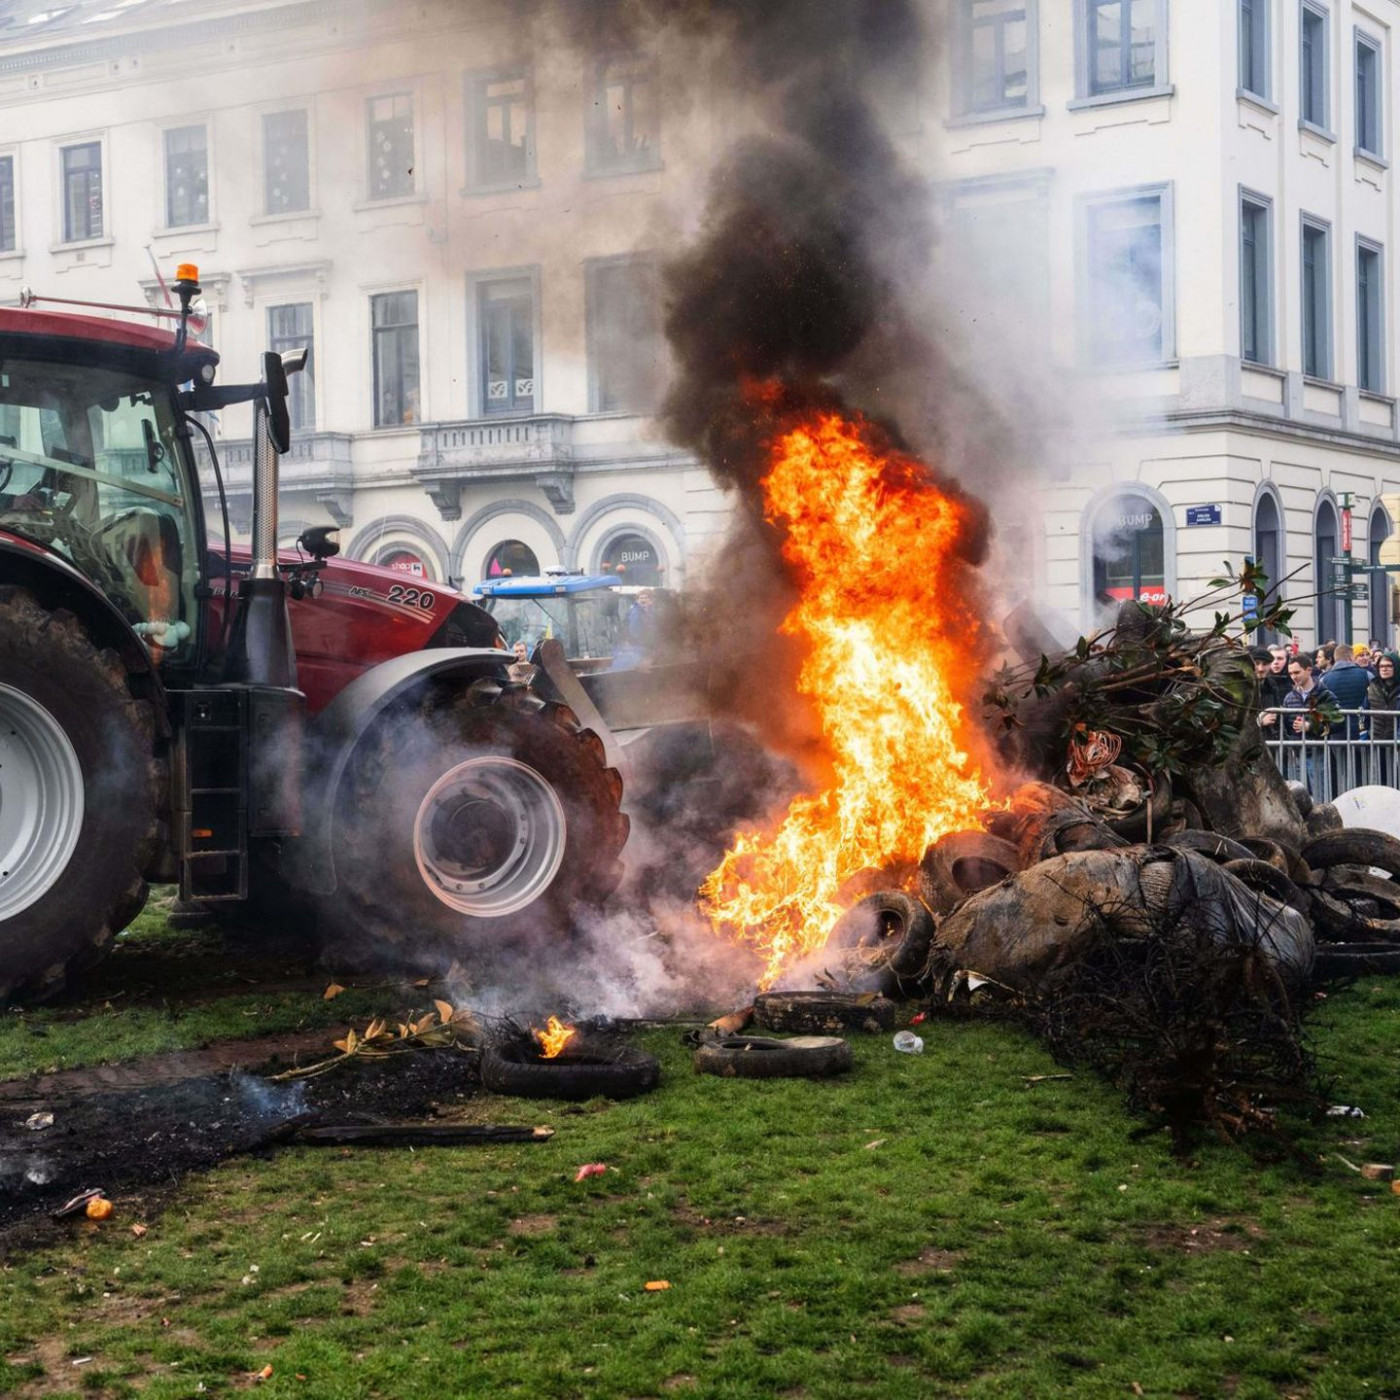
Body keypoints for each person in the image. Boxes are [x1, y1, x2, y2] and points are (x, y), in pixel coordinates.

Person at [1367, 651, 1400, 783]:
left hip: (1397, 741)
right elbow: (1361, 712)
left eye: (1388, 666)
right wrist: (1363, 732)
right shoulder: (1372, 686)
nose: (1384, 669)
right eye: (1381, 666)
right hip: (1378, 740)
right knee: (1382, 780)